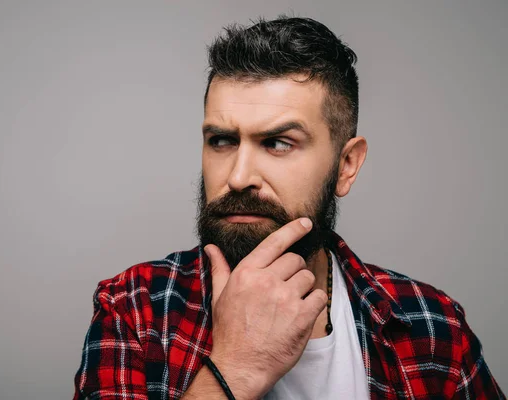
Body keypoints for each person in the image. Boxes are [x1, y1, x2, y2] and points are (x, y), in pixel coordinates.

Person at [73, 16, 504, 400]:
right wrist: (236, 370)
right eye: (221, 140)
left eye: (278, 143)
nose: (239, 176)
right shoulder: (135, 308)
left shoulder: (432, 326)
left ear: (346, 165)